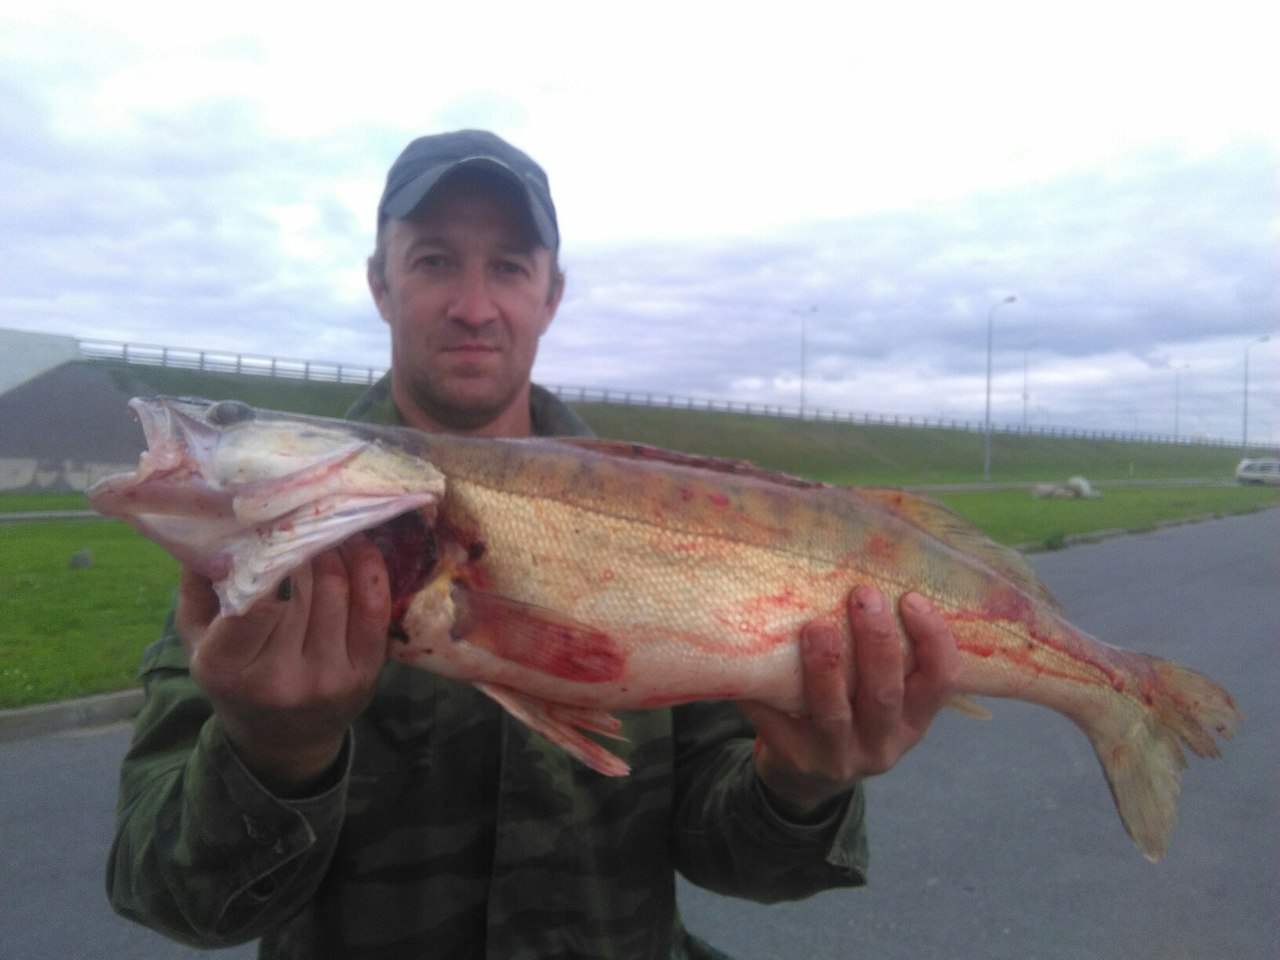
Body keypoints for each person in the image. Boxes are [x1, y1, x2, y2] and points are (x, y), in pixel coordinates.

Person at [106, 130, 962, 959]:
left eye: (510, 267)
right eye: (433, 260)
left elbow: (732, 856)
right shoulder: (282, 544)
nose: (473, 306)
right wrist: (274, 754)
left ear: (551, 294)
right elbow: (167, 893)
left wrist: (801, 786)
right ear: (379, 284)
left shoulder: (675, 520)